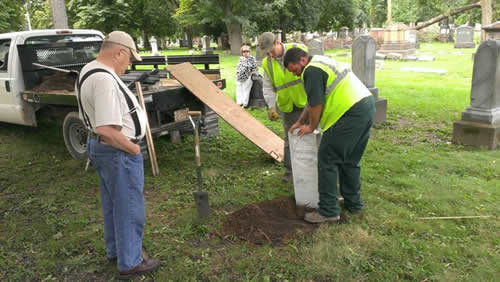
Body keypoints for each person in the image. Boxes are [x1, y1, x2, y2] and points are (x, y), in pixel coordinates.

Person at [76, 31, 160, 278]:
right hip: (118, 151)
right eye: (130, 58)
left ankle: (117, 250)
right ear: (119, 52)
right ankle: (131, 262)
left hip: (103, 150)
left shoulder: (89, 69)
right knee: (129, 207)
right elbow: (107, 130)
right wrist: (134, 149)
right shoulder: (104, 80)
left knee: (113, 204)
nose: (130, 64)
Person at [284, 48, 375, 224]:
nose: (295, 75)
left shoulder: (311, 71)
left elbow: (317, 103)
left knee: (327, 159)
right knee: (349, 160)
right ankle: (353, 203)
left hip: (348, 113)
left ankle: (328, 210)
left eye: (294, 70)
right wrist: (301, 120)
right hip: (365, 106)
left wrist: (311, 126)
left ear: (303, 60)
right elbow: (313, 99)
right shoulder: (320, 63)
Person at [257, 32, 309, 183]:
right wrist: (272, 106)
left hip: (307, 102)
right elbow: (267, 87)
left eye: (271, 50)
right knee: (290, 139)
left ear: (278, 42)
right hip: (287, 106)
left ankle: (311, 169)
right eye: (267, 52)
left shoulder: (299, 49)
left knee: (313, 135)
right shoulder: (267, 63)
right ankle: (290, 172)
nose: (270, 55)